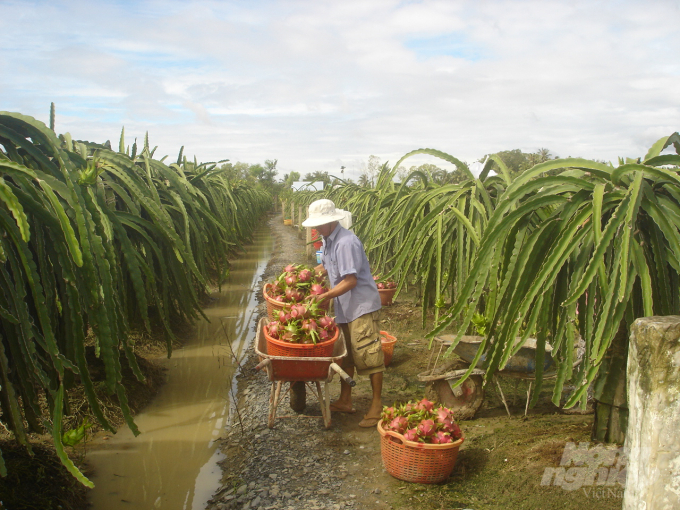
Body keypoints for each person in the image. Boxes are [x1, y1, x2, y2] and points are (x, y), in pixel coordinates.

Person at [301, 199, 384, 428]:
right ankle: (345, 400)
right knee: (346, 355)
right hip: (344, 307)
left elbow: (350, 280)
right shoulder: (328, 241)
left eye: (318, 225)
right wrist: (304, 275)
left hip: (360, 306)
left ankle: (377, 406)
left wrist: (324, 296)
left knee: (369, 355)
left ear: (330, 221)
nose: (315, 229)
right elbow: (326, 267)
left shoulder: (346, 242)